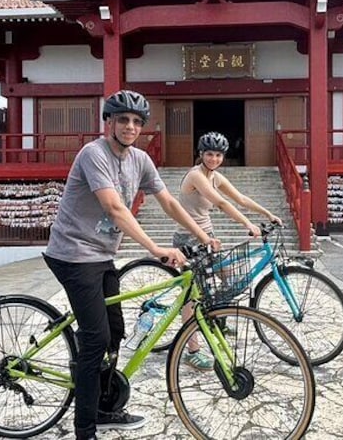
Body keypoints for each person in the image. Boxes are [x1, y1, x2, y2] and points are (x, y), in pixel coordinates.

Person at [43, 90, 220, 440]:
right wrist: (156, 248)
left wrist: (203, 235)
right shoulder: (93, 154)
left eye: (137, 121)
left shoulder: (139, 159)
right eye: (122, 119)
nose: (130, 126)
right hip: (72, 255)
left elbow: (167, 201)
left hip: (101, 256)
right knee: (95, 339)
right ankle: (85, 428)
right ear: (108, 122)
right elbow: (114, 208)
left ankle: (105, 408)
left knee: (116, 333)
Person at [173, 131, 282, 370]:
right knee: (192, 296)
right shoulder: (196, 176)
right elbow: (221, 203)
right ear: (200, 154)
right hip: (188, 239)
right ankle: (192, 350)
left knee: (229, 276)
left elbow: (240, 198)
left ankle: (216, 319)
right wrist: (247, 224)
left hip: (208, 237)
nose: (213, 159)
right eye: (209, 154)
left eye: (218, 155)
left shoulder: (215, 176)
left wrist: (268, 214)